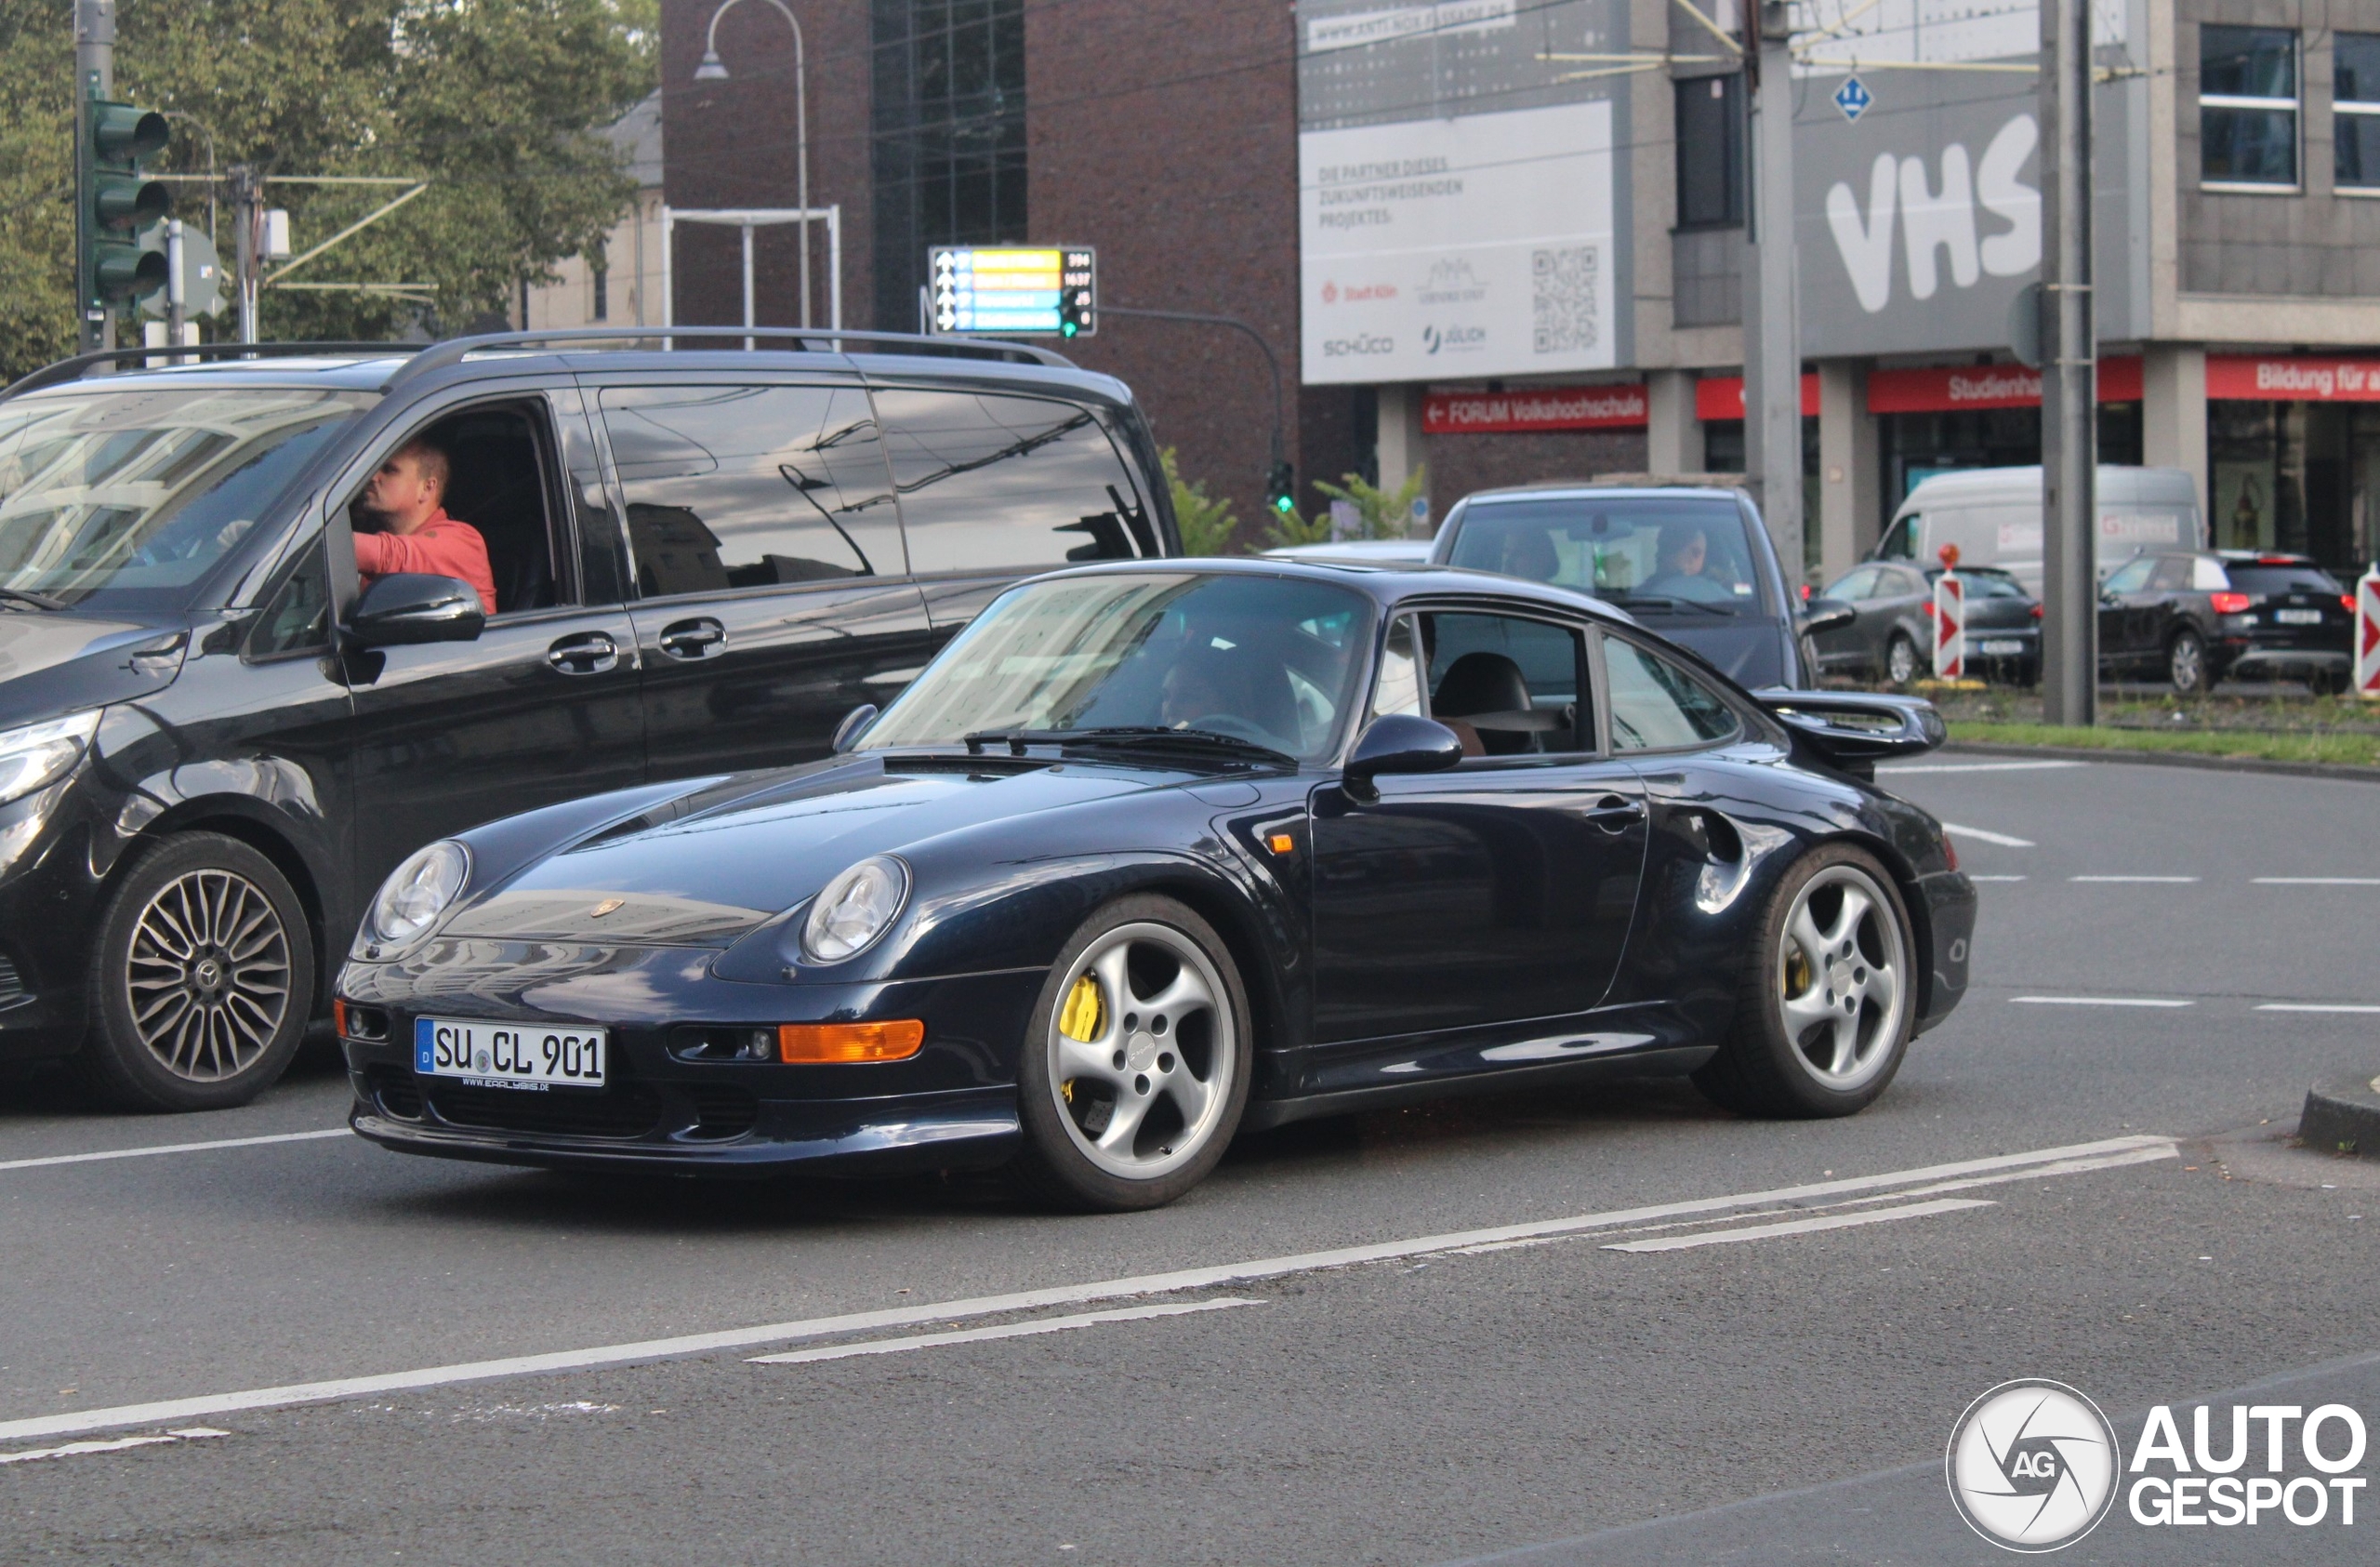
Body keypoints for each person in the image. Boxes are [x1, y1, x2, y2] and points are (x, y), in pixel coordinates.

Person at [351, 439, 496, 614]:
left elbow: (390, 555)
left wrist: (320, 542)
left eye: (389, 470)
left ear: (427, 487)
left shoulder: (464, 540)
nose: (373, 476)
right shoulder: (381, 537)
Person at [1636, 518, 1735, 604]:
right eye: (1662, 549)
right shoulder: (1635, 598)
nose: (1657, 555)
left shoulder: (1726, 596)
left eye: (1696, 553)